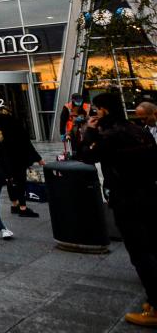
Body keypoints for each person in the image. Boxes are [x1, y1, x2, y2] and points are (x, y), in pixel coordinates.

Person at [77, 91, 157, 327]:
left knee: (141, 252)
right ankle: (153, 301)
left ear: (105, 110)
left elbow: (87, 156)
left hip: (127, 197)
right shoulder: (139, 131)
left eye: (96, 108)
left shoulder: (111, 135)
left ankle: (155, 306)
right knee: (152, 244)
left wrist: (89, 132)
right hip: (150, 194)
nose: (94, 112)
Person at [0, 105, 44, 217]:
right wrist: (38, 158)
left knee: (10, 182)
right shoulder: (14, 124)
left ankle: (15, 204)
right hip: (17, 159)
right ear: (9, 113)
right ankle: (23, 207)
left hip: (3, 160)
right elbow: (26, 143)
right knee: (20, 182)